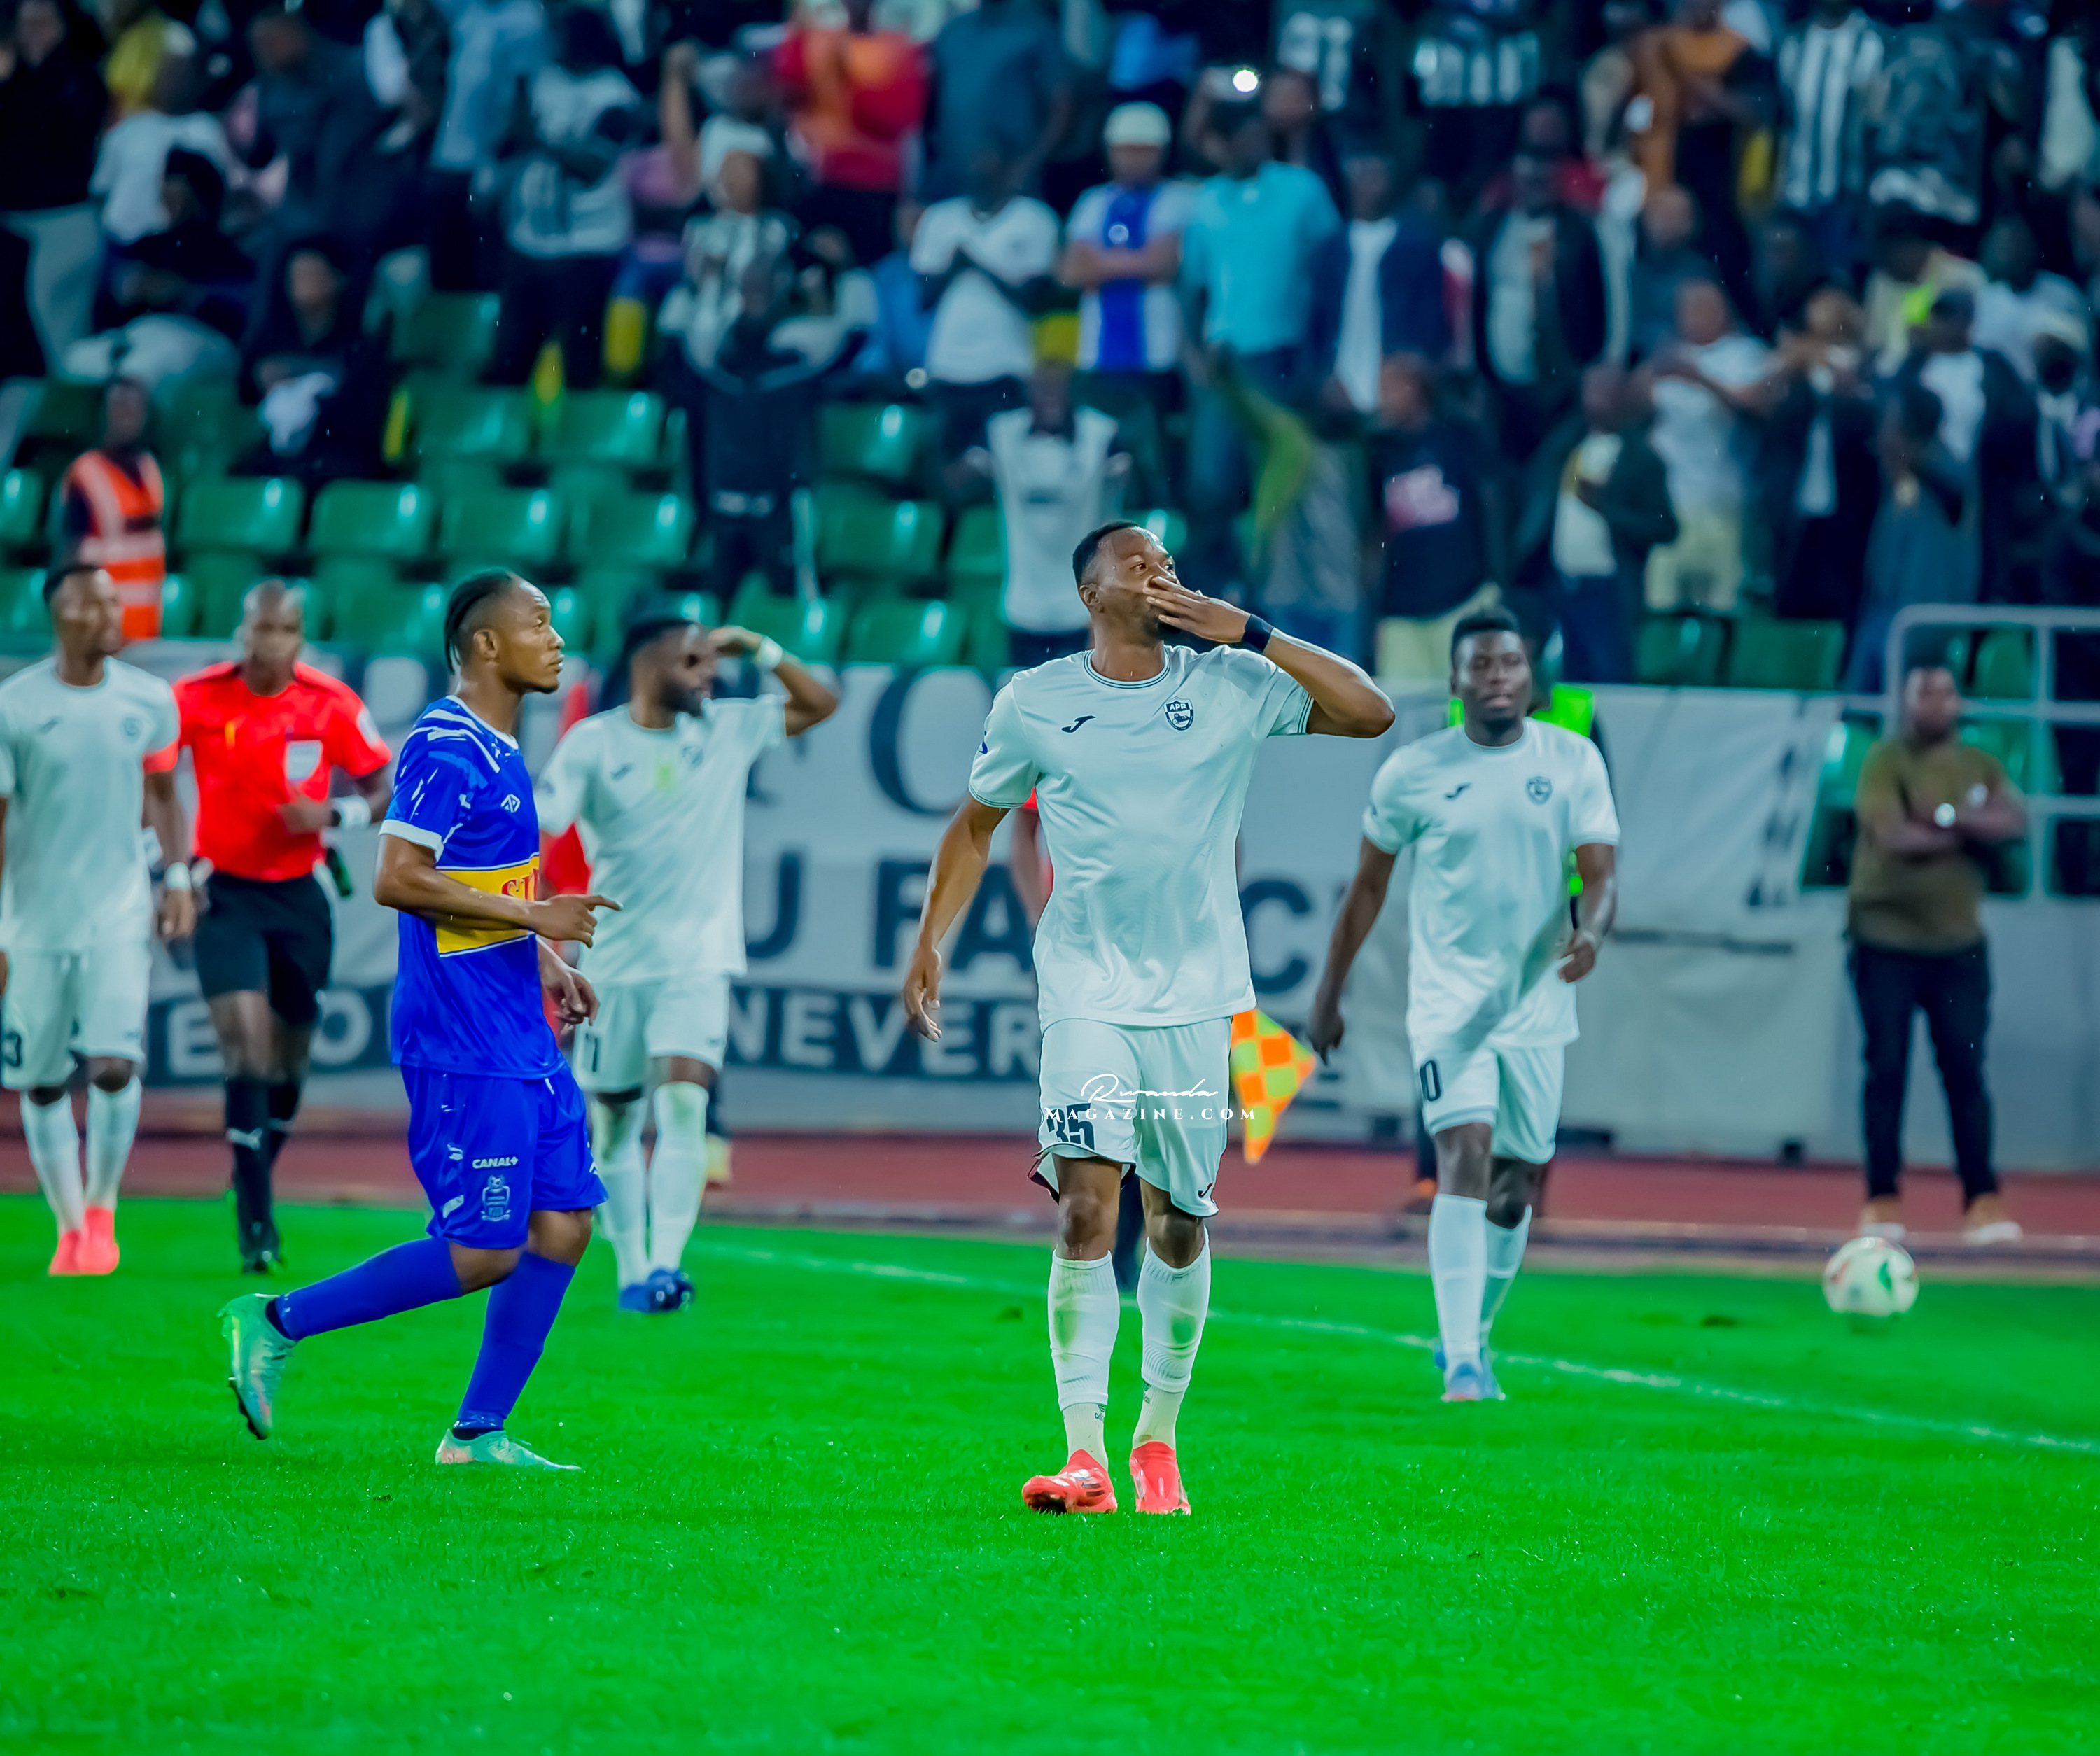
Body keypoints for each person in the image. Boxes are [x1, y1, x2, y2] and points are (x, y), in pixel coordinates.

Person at [902, 521, 1394, 1515]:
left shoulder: (1231, 682)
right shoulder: (1036, 701)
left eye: (1168, 561)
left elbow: (1370, 712)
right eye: (1139, 564)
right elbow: (976, 824)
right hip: (1085, 989)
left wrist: (1250, 630)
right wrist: (929, 942)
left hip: (1198, 1000)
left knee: (1177, 1220)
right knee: (1087, 1202)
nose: (1162, 573)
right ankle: (1082, 1454)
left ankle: (1156, 1440)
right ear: (1091, 594)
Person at [220, 570, 617, 1469]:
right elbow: (396, 877)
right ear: (487, 644)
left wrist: (545, 958)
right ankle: (276, 1320)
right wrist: (537, 915)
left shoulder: (501, 748)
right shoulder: (445, 745)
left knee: (565, 1224)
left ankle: (476, 1434)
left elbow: (477, 889)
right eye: (540, 623)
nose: (558, 639)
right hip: (462, 1039)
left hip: (517, 1028)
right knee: (482, 1251)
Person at [1306, 607, 1619, 1401]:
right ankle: (1464, 1365)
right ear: (1454, 681)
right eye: (1480, 665)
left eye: (1510, 663)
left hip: (1538, 1006)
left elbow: (1602, 875)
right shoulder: (1413, 771)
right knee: (1464, 1152)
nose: (1497, 678)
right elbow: (1367, 888)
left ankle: (1472, 1334)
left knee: (1515, 1187)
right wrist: (1330, 991)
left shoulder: (1574, 760)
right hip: (1449, 1005)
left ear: (1531, 676)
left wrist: (1592, 933)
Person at [536, 607, 837, 1312]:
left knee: (683, 1103)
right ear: (649, 665)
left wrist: (759, 645)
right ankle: (632, 1270)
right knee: (613, 1124)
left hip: (698, 961)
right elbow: (540, 822)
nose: (709, 676)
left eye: (711, 662)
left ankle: (665, 1268)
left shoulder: (726, 729)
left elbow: (820, 703)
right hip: (612, 965)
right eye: (693, 662)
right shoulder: (594, 742)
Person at [158, 582, 392, 1272]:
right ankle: (256, 1223)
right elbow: (158, 783)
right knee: (246, 1049)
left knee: (289, 1063)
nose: (270, 642)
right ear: (242, 632)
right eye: (260, 629)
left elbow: (385, 789)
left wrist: (335, 816)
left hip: (300, 896)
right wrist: (175, 874)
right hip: (225, 893)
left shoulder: (331, 703)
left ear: (301, 637)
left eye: (284, 630)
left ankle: (253, 1169)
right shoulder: (197, 697)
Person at [0, 564, 191, 1277]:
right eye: (98, 604)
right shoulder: (15, 706)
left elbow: (165, 795)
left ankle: (103, 1210)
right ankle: (69, 1224)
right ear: (62, 613)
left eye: (117, 602)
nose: (115, 615)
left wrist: (177, 877)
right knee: (43, 1080)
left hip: (118, 912)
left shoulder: (149, 699)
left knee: (115, 1064)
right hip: (32, 922)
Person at [1847, 661, 2024, 1246]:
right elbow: (1893, 834)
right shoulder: (1885, 760)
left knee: (1966, 1072)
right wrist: (1969, 830)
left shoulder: (1980, 763)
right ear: (1906, 700)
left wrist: (1944, 818)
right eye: (1925, 693)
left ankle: (1982, 1199)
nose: (1936, 703)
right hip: (1885, 939)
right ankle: (1882, 1198)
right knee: (1887, 1069)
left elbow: (2014, 819)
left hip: (1958, 946)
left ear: (1958, 700)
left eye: (1945, 692)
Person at [1177, 100, 1340, 595]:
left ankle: (1275, 583)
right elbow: (1192, 289)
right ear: (1220, 145)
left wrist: (1322, 357)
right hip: (1226, 359)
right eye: (1239, 137)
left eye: (1256, 133)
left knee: (1282, 474)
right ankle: (1224, 585)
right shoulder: (1205, 202)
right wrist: (1193, 355)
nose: (1250, 145)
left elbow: (1333, 274)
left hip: (1285, 354)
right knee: (1214, 480)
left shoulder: (1302, 191)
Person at [490, 4, 643, 391]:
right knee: (510, 358)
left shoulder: (616, 95)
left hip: (586, 249)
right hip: (528, 242)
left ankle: (574, 426)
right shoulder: (541, 82)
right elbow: (508, 143)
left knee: (578, 361)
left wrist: (540, 140)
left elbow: (593, 166)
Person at [1059, 101, 1194, 504]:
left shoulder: (1179, 199)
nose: (1132, 160)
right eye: (1124, 150)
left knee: (1154, 459)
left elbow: (1165, 263)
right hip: (1097, 358)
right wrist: (1138, 261)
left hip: (1156, 356)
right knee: (1099, 458)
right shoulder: (1093, 202)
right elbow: (1071, 270)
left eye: (1142, 151)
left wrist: (1102, 262)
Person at [1515, 363, 1678, 684]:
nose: (1596, 398)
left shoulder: (1641, 459)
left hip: (1609, 589)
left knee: (1610, 675)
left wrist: (1607, 508)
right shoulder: (1564, 449)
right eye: (1591, 389)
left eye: (1607, 390)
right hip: (1561, 584)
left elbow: (1665, 527)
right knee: (1569, 679)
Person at [910, 132, 1060, 458]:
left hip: (1007, 365)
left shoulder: (1035, 219)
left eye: (988, 161)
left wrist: (978, 264)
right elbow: (923, 298)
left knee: (1002, 462)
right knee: (948, 461)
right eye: (974, 161)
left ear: (1008, 167)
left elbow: (1034, 301)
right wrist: (954, 268)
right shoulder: (939, 219)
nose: (978, 168)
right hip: (947, 366)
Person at [969, 362, 1127, 666]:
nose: (1050, 396)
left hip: (1082, 611)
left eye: (1057, 387)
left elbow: (1131, 483)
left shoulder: (1102, 434)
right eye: (1042, 387)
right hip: (1022, 607)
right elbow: (954, 479)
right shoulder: (1001, 432)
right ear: (1028, 390)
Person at [1468, 142, 1608, 465]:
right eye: (1528, 180)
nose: (1535, 188)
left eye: (1543, 180)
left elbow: (1598, 302)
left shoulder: (1578, 232)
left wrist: (1590, 363)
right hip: (1503, 380)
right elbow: (1479, 300)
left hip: (1561, 379)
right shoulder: (1492, 227)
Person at [1365, 353, 1497, 682]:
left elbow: (1490, 508)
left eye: (1390, 386)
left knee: (1466, 695)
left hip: (1462, 597)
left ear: (1415, 387)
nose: (1382, 397)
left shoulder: (1458, 439)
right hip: (1402, 610)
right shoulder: (1378, 453)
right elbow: (1372, 530)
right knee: (1400, 702)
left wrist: (1495, 581)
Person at [775, 0, 925, 272]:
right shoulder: (818, 42)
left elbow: (900, 116)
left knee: (867, 270)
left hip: (875, 188)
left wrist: (846, 83)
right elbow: (788, 87)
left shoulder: (896, 49)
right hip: (823, 182)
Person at [0, 0, 107, 369]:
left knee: (60, 339)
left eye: (44, 23)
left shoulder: (81, 80)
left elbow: (59, 137)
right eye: (26, 24)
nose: (33, 33)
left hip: (63, 223)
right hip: (14, 224)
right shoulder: (14, 80)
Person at [1307, 147, 1452, 417]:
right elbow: (1317, 323)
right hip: (1338, 388)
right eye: (1363, 172)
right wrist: (1322, 378)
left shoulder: (1418, 246)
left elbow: (1432, 319)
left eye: (1378, 173)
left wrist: (1414, 374)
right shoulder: (1330, 251)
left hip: (1397, 389)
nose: (1372, 183)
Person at [920, 0, 1072, 204]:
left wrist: (1026, 166)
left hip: (1009, 183)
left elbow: (1062, 106)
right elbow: (928, 112)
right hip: (951, 181)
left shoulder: (1036, 29)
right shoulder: (952, 32)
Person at [1774, 0, 1884, 279]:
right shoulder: (1793, 43)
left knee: (1837, 282)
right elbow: (1784, 117)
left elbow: (1878, 119)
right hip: (1795, 193)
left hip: (1847, 193)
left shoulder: (1872, 42)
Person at [58, 377, 166, 641]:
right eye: (119, 407)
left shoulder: (150, 468)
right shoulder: (85, 474)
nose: (128, 416)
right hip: (101, 636)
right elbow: (69, 555)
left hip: (147, 631)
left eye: (135, 408)